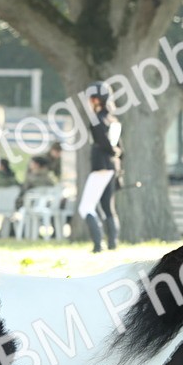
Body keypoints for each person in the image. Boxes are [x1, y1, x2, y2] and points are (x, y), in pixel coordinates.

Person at [77, 82, 122, 253]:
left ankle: (98, 245)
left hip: (101, 166)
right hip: (112, 167)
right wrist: (116, 156)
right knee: (107, 206)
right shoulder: (113, 120)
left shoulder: (97, 120)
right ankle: (112, 244)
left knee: (85, 207)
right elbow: (120, 148)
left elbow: (104, 143)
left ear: (96, 100)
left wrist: (112, 152)